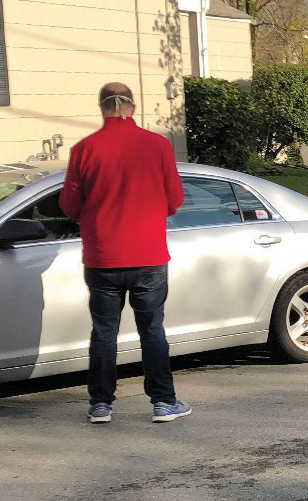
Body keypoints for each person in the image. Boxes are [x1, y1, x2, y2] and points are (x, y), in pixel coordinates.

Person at [60, 82, 190, 424]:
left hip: (102, 256)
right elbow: (174, 199)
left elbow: (69, 205)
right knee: (152, 330)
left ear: (102, 108)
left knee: (103, 331)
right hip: (148, 255)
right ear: (132, 107)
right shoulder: (158, 145)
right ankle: (164, 402)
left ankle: (100, 404)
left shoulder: (84, 149)